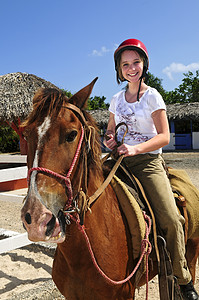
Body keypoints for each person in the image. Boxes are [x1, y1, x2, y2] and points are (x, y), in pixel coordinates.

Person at [104, 38, 199, 300]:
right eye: (126, 64)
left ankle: (184, 280)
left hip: (146, 163)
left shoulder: (153, 96)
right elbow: (110, 132)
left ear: (144, 64)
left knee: (170, 218)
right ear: (119, 68)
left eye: (136, 62)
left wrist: (135, 149)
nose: (131, 68)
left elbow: (164, 136)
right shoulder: (115, 99)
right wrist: (109, 139)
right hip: (118, 160)